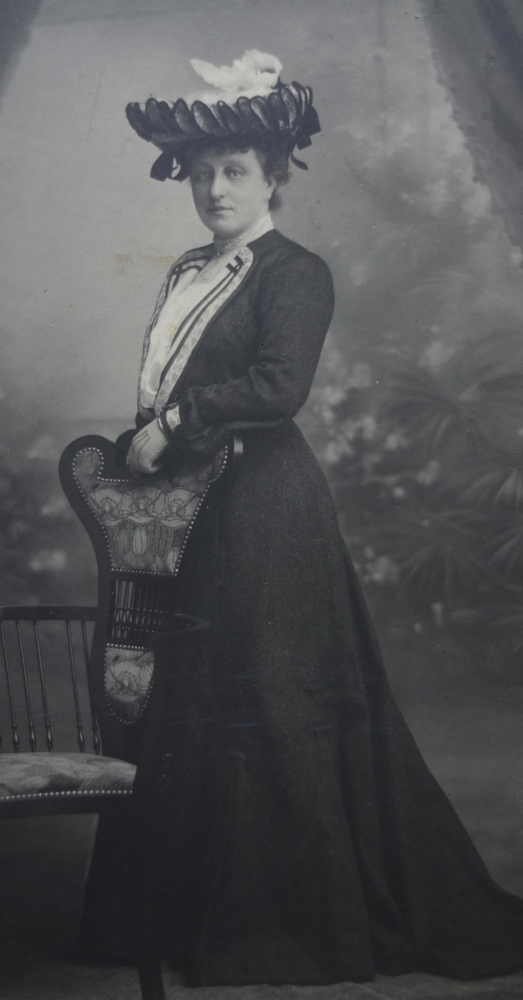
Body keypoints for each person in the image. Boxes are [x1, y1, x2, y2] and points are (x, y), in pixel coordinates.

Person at [81, 51, 523, 988]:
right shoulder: (192, 271)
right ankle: (185, 913)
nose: (213, 188)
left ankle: (289, 922)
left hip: (266, 511)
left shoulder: (293, 271)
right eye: (200, 174)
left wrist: (174, 425)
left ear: (273, 175)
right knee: (197, 697)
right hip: (197, 517)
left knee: (272, 703)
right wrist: (151, 440)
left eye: (233, 170)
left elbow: (280, 389)